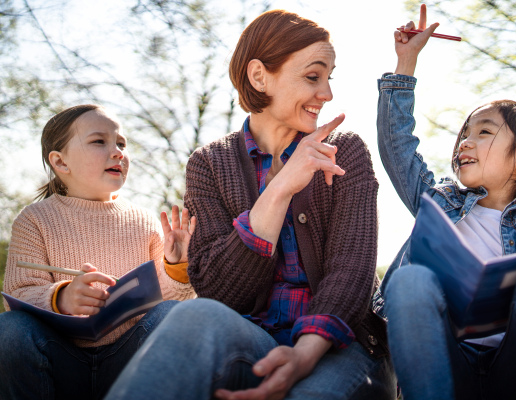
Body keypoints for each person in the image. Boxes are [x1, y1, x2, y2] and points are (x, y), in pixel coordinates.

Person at [105, 9, 396, 400]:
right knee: (190, 315)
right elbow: (218, 291)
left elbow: (352, 273)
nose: (326, 93)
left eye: (329, 78)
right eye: (313, 76)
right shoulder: (209, 163)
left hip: (337, 346)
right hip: (250, 340)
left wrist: (303, 356)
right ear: (260, 76)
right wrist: (279, 191)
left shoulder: (346, 151)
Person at [373, 5, 516, 400]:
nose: (465, 140)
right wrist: (406, 60)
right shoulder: (438, 200)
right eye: (465, 133)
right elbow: (398, 147)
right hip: (446, 364)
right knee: (410, 280)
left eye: (484, 132)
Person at [0, 104, 197, 400]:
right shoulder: (34, 219)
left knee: (172, 315)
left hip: (130, 362)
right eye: (99, 141)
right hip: (59, 358)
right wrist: (62, 297)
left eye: (121, 143)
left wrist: (176, 265)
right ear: (61, 162)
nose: (118, 151)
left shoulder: (145, 221)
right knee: (11, 329)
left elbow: (168, 300)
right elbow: (19, 294)